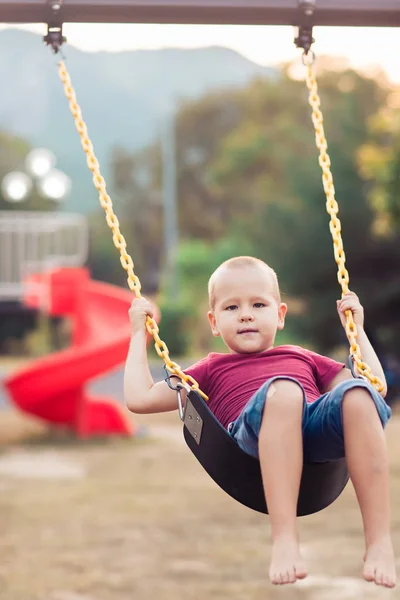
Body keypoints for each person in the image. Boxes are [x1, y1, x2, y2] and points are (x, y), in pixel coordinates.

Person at [124, 256, 396, 588]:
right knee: (284, 392)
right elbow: (139, 398)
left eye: (258, 304)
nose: (246, 314)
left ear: (279, 314)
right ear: (213, 322)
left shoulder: (302, 357)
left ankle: (380, 542)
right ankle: (285, 541)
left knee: (358, 395)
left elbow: (375, 387)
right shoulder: (209, 370)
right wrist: (140, 334)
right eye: (231, 308)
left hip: (311, 430)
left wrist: (359, 332)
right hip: (251, 438)